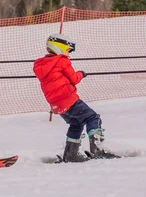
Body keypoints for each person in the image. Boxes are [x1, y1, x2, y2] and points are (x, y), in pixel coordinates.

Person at [33, 33, 113, 162]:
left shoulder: (40, 64)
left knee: (76, 123)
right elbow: (74, 79)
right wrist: (81, 74)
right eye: (67, 50)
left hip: (56, 105)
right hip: (68, 99)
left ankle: (71, 155)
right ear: (60, 48)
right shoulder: (62, 60)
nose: (68, 54)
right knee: (92, 117)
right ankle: (98, 150)